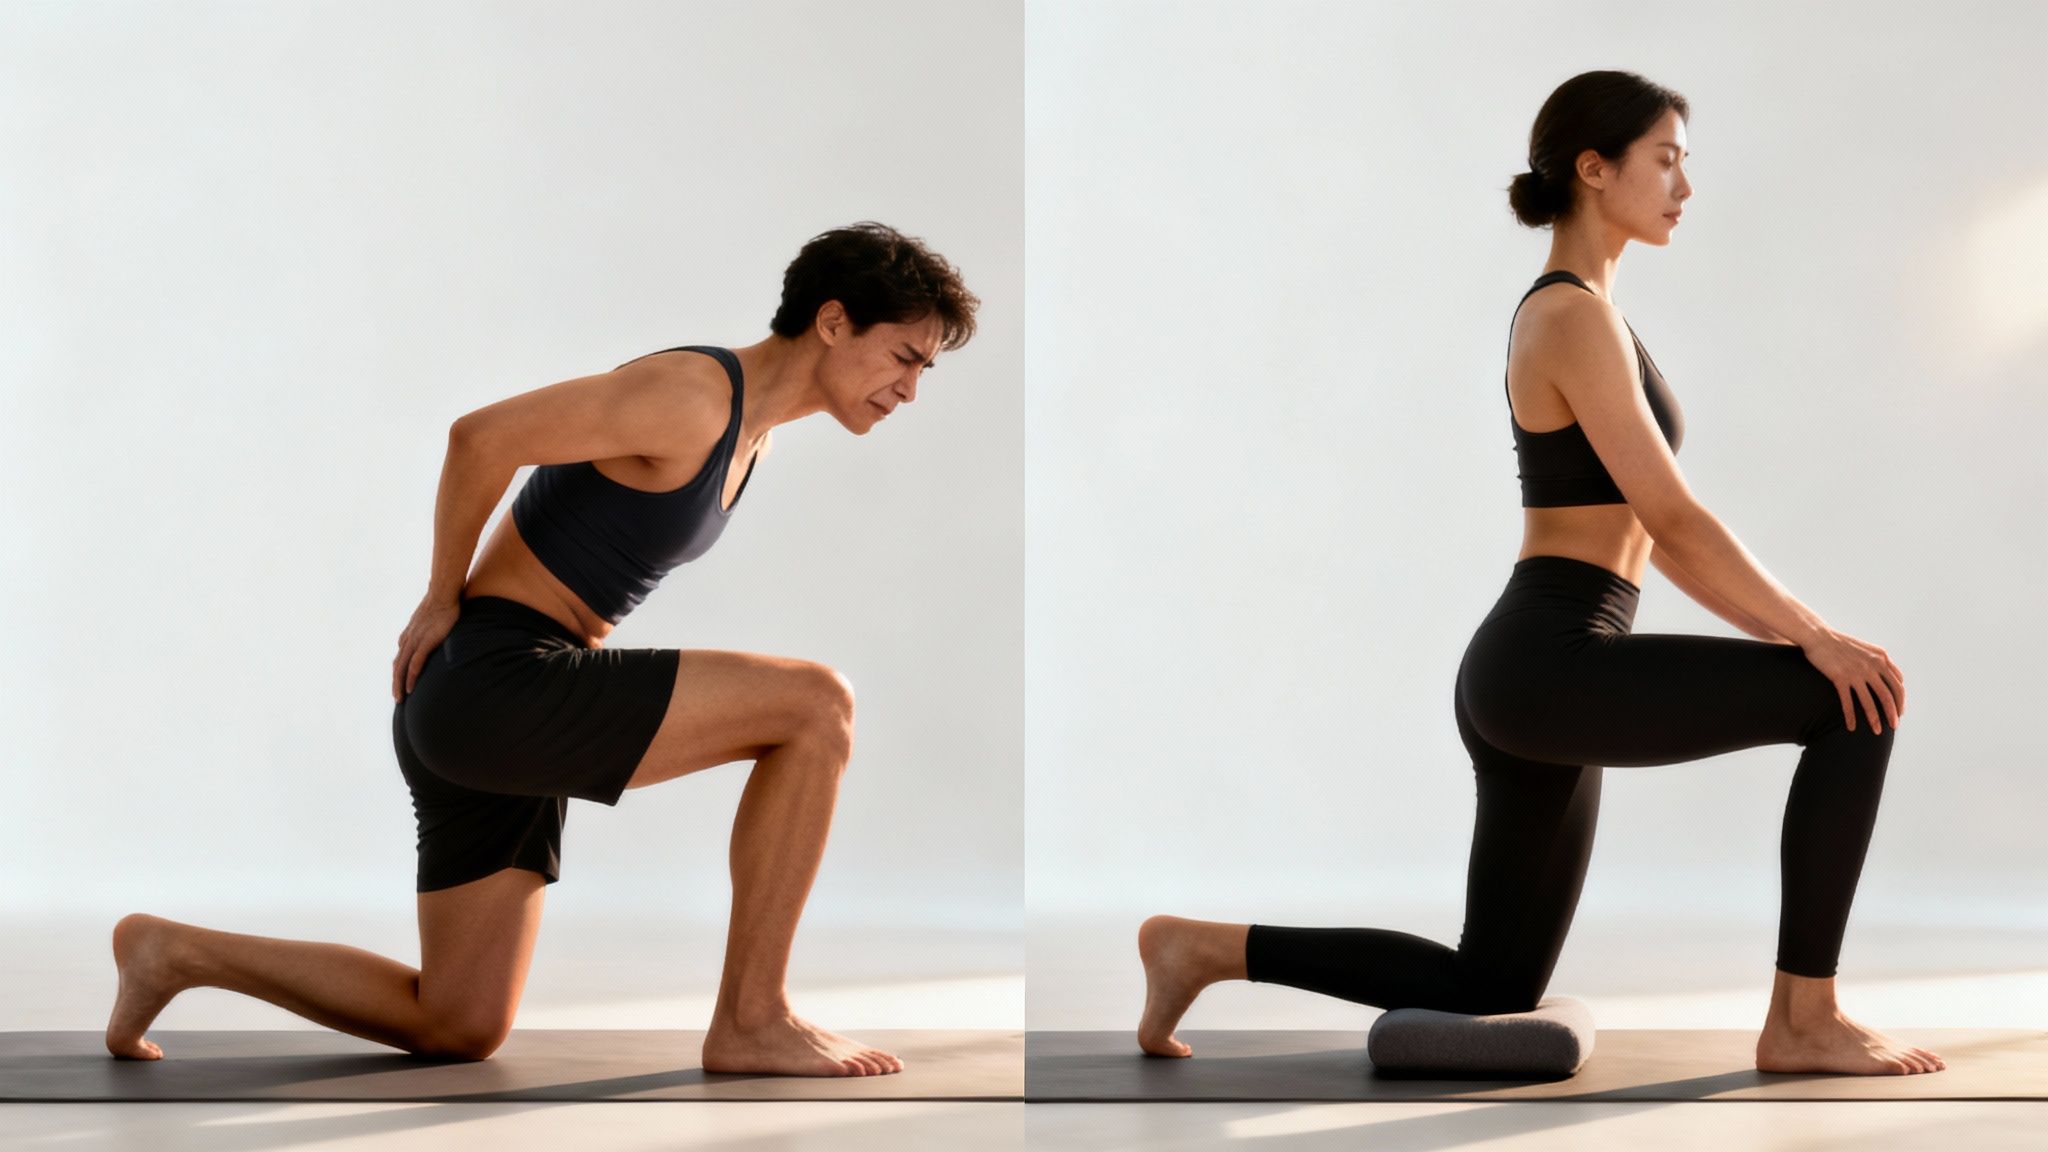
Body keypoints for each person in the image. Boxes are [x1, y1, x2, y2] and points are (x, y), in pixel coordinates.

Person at [1134, 71, 1945, 1077]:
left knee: (1489, 986)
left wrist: (1801, 633)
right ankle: (1803, 1019)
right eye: (1665, 159)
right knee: (1848, 704)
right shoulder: (1568, 317)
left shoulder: (1590, 312)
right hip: (1550, 661)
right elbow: (1673, 521)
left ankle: (1202, 947)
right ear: (1593, 169)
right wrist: (1812, 637)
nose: (1682, 186)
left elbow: (1665, 528)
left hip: (1542, 666)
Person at [103, 221, 980, 1078]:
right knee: (816, 705)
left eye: (924, 370)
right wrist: (440, 594)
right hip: (497, 681)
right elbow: (480, 436)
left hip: (488, 707)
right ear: (833, 322)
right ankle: (753, 1018)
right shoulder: (694, 397)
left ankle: (169, 952)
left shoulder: (756, 435)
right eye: (904, 358)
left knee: (457, 1021)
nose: (909, 390)